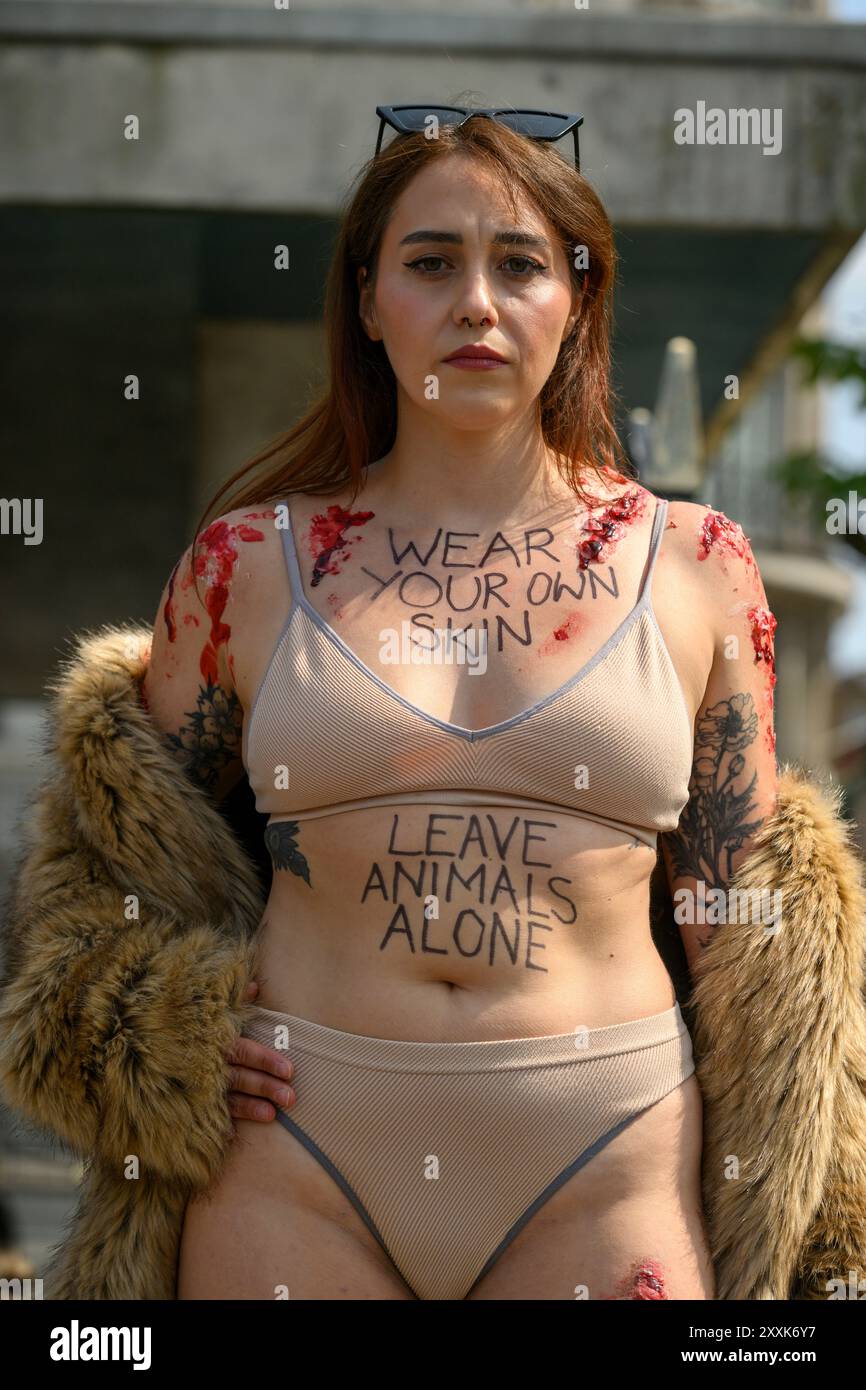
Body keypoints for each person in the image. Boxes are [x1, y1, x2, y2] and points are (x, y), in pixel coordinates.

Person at [137, 108, 779, 1301]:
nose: (476, 302)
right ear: (369, 302)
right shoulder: (244, 564)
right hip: (296, 1151)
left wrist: (805, 1179)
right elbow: (126, 863)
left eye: (520, 263)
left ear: (577, 302)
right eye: (430, 263)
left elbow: (743, 921)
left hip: (605, 1147)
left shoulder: (698, 563)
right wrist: (150, 1030)